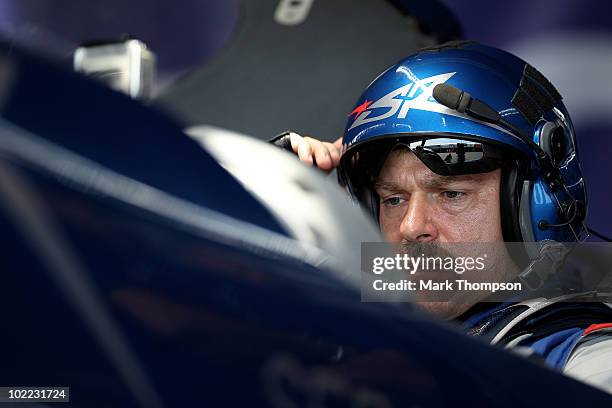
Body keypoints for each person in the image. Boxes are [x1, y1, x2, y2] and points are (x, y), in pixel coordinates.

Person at [272, 41, 612, 393]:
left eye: (451, 194)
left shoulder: (585, 359)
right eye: (392, 199)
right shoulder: (335, 338)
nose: (412, 227)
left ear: (536, 204)